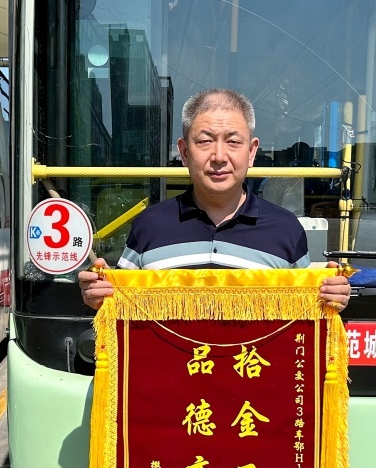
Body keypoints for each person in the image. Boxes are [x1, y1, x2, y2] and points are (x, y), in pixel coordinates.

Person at [78, 88, 350, 310]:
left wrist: (329, 298)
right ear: (184, 152)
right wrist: (99, 295)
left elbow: (304, 312)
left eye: (233, 142)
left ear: (251, 152)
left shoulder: (286, 229)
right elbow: (120, 304)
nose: (219, 157)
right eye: (205, 141)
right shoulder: (149, 225)